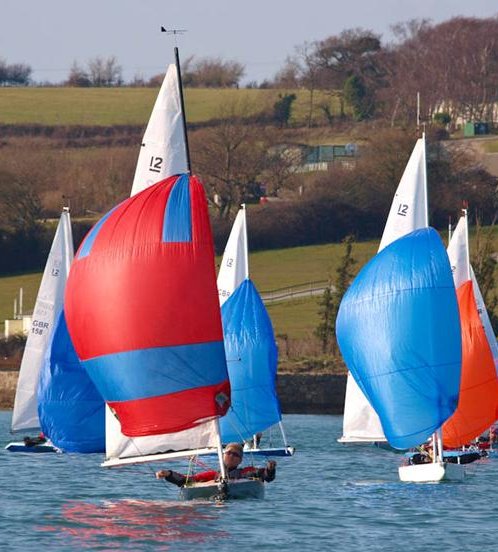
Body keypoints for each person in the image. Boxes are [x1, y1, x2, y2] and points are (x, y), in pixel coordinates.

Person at [156, 442, 276, 487]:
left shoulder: (246, 472)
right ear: (222, 455)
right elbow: (186, 480)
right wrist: (168, 474)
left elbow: (266, 476)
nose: (231, 456)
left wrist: (270, 469)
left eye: (235, 455)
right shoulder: (212, 475)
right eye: (228, 453)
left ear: (240, 460)